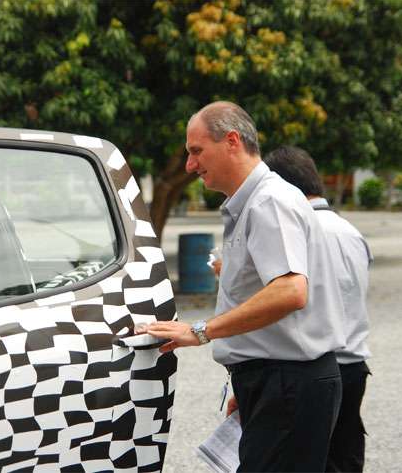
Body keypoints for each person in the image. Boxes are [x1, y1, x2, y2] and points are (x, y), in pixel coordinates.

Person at [144, 101, 346, 472]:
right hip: (275, 380)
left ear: (232, 141)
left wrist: (200, 331)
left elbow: (290, 291)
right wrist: (247, 376)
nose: (190, 165)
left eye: (196, 151)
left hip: (288, 383)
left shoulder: (268, 201)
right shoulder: (253, 202)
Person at [263, 145, 373, 473]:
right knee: (345, 457)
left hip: (317, 367)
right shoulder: (350, 231)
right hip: (355, 363)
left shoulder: (300, 231)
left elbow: (290, 299)